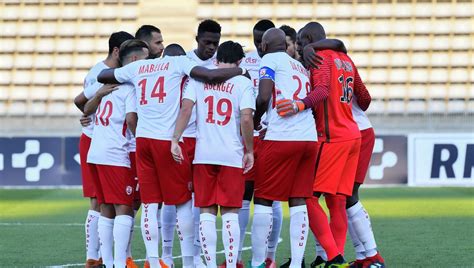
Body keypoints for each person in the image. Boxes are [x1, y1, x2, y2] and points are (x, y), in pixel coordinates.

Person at [97, 43, 248, 268]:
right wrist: (240, 70)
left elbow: (103, 75)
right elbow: (207, 75)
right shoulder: (179, 63)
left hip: (143, 140)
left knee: (149, 204)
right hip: (166, 140)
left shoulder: (141, 67)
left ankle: (154, 262)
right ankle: (188, 262)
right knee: (183, 203)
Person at [278, 21, 369, 267]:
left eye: (299, 43)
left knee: (307, 196)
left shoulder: (320, 58)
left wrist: (299, 105)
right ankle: (336, 260)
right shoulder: (346, 60)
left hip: (331, 138)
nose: (298, 49)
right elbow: (365, 97)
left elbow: (322, 91)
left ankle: (334, 255)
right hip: (353, 136)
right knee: (336, 200)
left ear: (307, 39)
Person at [171, 40, 255, 268]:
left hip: (203, 154)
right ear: (240, 62)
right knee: (230, 213)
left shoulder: (199, 79)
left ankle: (208, 265)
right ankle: (229, 263)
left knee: (206, 211)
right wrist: (249, 150)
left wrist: (175, 139)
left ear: (216, 59)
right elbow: (247, 118)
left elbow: (186, 109)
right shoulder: (243, 82)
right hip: (231, 154)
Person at [251, 28, 318, 268]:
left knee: (263, 199)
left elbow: (263, 96)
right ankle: (297, 263)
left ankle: (259, 263)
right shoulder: (299, 65)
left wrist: (256, 119)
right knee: (298, 199)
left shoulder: (268, 59)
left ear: (266, 45)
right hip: (308, 138)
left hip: (282, 136)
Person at [81, 39, 148, 268]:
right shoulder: (129, 87)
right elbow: (131, 120)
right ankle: (119, 263)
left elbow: (86, 108)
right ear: (135, 60)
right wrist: (141, 140)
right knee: (124, 208)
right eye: (145, 59)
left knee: (105, 207)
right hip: (114, 153)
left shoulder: (108, 83)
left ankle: (107, 262)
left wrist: (99, 95)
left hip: (96, 152)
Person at [73, 31, 134, 268]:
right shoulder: (98, 74)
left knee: (108, 202)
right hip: (98, 140)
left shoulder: (113, 76)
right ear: (118, 51)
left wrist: (90, 114)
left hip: (102, 138)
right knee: (99, 201)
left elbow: (83, 103)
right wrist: (89, 117)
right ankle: (93, 255)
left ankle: (105, 257)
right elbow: (81, 101)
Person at [238, 19, 284, 268]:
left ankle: (270, 256)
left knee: (271, 197)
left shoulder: (277, 60)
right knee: (244, 195)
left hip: (271, 133)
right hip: (249, 134)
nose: (258, 45)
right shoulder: (245, 59)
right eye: (255, 40)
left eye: (261, 41)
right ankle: (237, 259)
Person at [183, 19, 221, 268]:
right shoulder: (184, 60)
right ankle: (174, 255)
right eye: (207, 42)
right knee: (180, 197)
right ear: (197, 38)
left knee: (204, 200)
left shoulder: (221, 63)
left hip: (210, 140)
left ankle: (200, 255)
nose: (211, 48)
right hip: (186, 136)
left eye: (215, 43)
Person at [158, 43, 188, 268]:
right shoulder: (185, 77)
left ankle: (166, 255)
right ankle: (185, 257)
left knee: (170, 200)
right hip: (180, 141)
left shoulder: (159, 76)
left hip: (170, 140)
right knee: (184, 201)